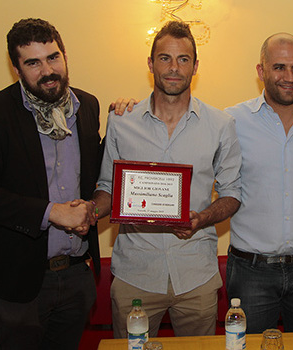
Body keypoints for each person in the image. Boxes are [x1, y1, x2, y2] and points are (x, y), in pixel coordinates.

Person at [92, 20, 242, 338]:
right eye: (165, 58)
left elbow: (232, 194)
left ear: (195, 66)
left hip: (196, 277)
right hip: (136, 274)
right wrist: (89, 212)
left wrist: (201, 219)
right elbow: (107, 186)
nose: (174, 68)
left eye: (183, 59)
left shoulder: (220, 124)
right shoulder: (122, 121)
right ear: (150, 63)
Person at [0, 18, 101, 349]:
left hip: (76, 275)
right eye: (33, 63)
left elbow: (97, 176)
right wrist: (51, 212)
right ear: (16, 68)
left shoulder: (87, 106)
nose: (48, 70)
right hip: (16, 282)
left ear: (65, 55)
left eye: (53, 57)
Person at [224, 33, 293, 350]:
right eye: (279, 67)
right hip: (250, 271)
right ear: (261, 70)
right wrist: (131, 107)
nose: (289, 77)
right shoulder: (231, 120)